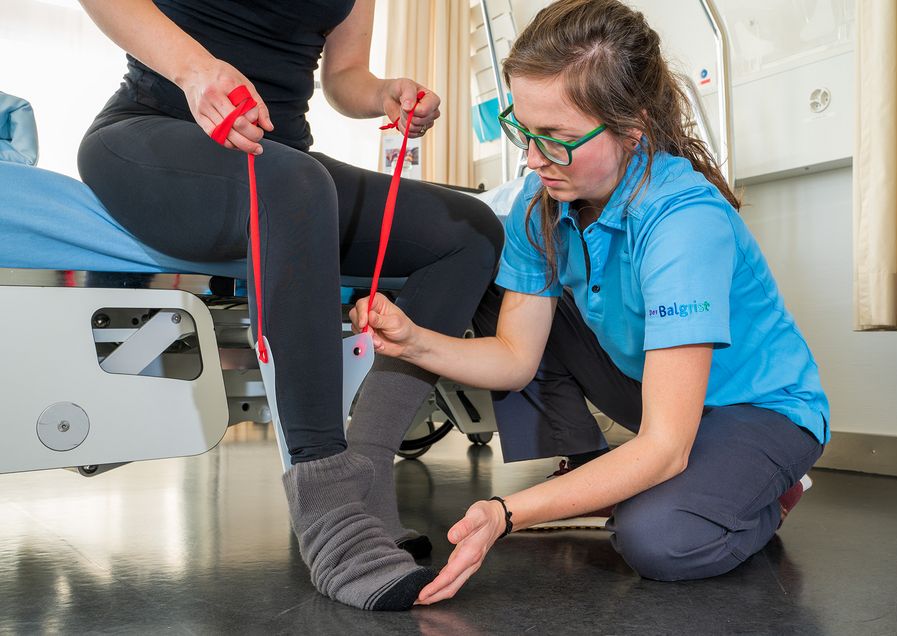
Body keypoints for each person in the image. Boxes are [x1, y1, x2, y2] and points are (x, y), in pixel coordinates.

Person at [351, 0, 829, 605]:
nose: (530, 158)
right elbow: (516, 358)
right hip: (655, 393)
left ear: (633, 126)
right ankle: (627, 476)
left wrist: (506, 512)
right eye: (523, 130)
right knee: (502, 280)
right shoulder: (539, 202)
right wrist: (414, 340)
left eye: (557, 139)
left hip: (758, 410)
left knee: (658, 539)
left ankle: (765, 493)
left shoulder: (683, 222)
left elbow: (664, 444)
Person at [76, 0, 503, 612]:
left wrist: (384, 91)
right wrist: (197, 71)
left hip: (283, 162)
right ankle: (327, 506)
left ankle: (369, 469)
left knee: (471, 230)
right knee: (295, 185)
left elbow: (342, 76)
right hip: (151, 132)